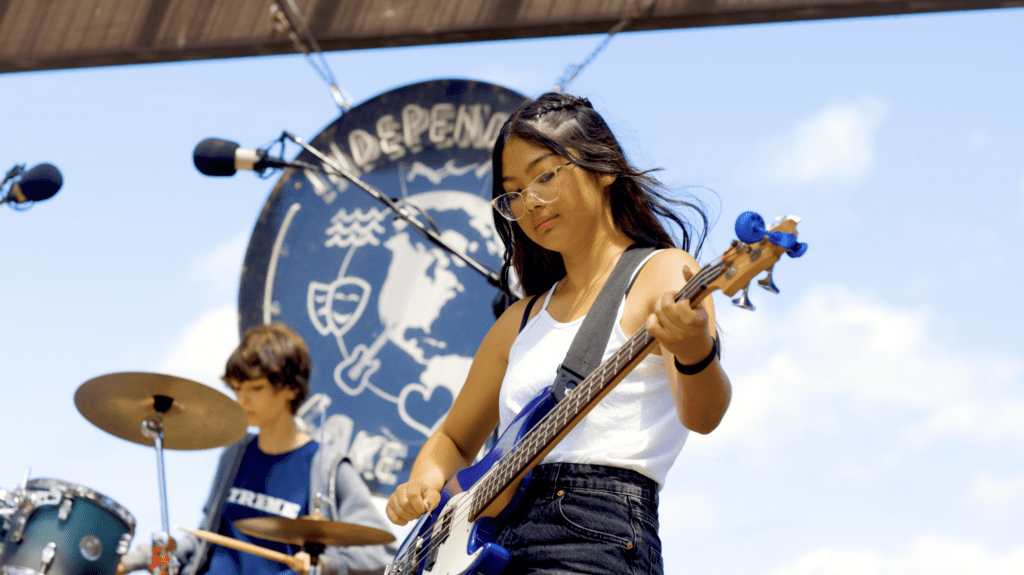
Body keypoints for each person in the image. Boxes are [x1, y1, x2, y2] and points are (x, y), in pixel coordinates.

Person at [385, 92, 732, 574]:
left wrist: (695, 349)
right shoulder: (520, 320)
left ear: (604, 167)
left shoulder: (663, 273)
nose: (531, 203)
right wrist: (424, 479)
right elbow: (454, 436)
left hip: (595, 533)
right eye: (514, 193)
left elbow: (704, 415)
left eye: (546, 175)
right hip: (496, 541)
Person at [120, 323, 393, 575]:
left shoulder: (326, 466)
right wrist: (146, 560)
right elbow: (202, 538)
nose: (242, 399)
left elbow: (380, 555)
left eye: (256, 388)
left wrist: (324, 566)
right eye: (237, 388)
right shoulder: (235, 455)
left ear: (290, 389)